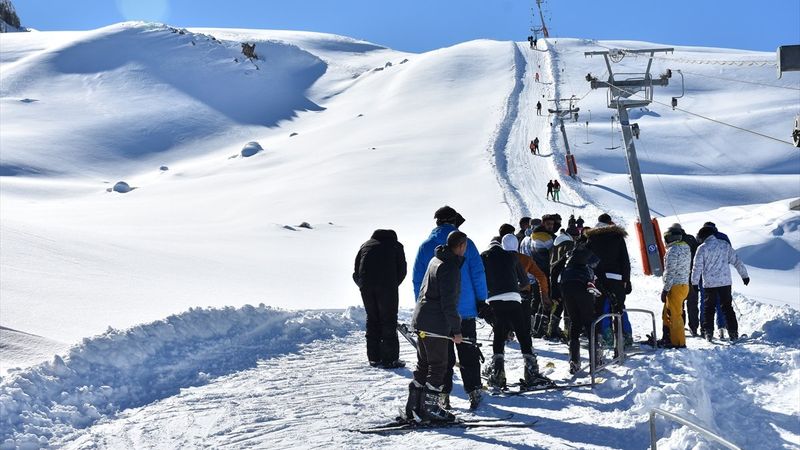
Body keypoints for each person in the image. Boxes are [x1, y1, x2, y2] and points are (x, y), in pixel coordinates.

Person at [412, 206, 487, 410]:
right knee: (468, 352)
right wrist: (482, 299)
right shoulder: (466, 242)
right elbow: (478, 273)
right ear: (454, 221)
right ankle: (474, 391)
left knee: (441, 358)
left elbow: (418, 280)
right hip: (466, 309)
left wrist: (423, 307)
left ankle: (442, 396)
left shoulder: (426, 246)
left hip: (436, 314)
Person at [405, 231, 467, 423]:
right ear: (461, 246)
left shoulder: (436, 259)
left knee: (424, 364)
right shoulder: (449, 267)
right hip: (434, 324)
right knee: (439, 365)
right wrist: (456, 330)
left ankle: (414, 406)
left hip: (422, 319)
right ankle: (430, 408)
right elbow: (448, 303)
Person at [481, 234, 549, 389]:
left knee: (499, 335)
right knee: (523, 334)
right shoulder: (512, 256)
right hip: (514, 299)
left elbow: (480, 279)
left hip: (495, 300)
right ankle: (531, 372)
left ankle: (498, 374)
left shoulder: (483, 257)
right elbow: (525, 281)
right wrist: (512, 288)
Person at [353, 229, 408, 368]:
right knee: (388, 319)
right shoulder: (396, 245)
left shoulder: (365, 245)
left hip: (366, 288)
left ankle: (374, 357)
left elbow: (356, 270)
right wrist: (393, 284)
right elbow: (402, 270)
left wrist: (362, 285)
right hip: (387, 287)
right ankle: (390, 359)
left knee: (372, 318)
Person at [691, 226, 750, 342]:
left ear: (703, 236)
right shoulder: (724, 245)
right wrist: (744, 276)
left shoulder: (702, 248)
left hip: (709, 284)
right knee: (727, 307)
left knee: (709, 308)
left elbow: (696, 267)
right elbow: (737, 261)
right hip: (725, 283)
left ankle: (708, 332)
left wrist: (694, 283)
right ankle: (733, 332)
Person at [585, 213, 633, 347]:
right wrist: (626, 279)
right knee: (619, 307)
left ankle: (606, 337)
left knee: (601, 308)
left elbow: (587, 259)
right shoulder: (617, 237)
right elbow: (625, 260)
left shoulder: (592, 238)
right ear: (610, 222)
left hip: (598, 278)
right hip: (617, 278)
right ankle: (625, 336)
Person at [557, 243, 602, 374]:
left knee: (575, 321)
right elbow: (597, 272)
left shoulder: (570, 255)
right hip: (582, 286)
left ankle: (574, 359)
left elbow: (555, 270)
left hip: (566, 286)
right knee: (589, 321)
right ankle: (595, 358)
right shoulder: (590, 255)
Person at [502, 234, 550, 343]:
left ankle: (506, 333)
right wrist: (544, 294)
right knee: (524, 323)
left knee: (503, 317)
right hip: (522, 293)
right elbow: (541, 276)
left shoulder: (497, 259)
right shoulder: (525, 259)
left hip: (502, 294)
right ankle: (527, 344)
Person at [667, 223, 700, 336]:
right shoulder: (691, 239)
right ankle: (694, 327)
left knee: (678, 305)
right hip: (692, 276)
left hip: (679, 279)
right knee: (693, 303)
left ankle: (681, 326)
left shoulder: (674, 244)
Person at [660, 228, 692, 348]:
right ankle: (668, 337)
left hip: (675, 286)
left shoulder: (673, 250)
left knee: (675, 315)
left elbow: (670, 271)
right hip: (683, 285)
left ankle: (678, 342)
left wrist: (666, 289)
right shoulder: (685, 247)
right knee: (667, 313)